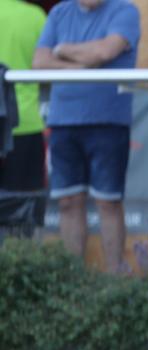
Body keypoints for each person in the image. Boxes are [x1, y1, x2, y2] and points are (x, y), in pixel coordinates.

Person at [32, 0, 140, 272]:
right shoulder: (59, 12)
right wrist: (80, 67)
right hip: (63, 120)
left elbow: (105, 51)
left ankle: (115, 278)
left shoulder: (125, 10)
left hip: (108, 121)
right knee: (68, 202)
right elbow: (39, 62)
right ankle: (73, 280)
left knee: (108, 202)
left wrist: (64, 50)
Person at [0, 0, 46, 236]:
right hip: (25, 125)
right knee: (23, 216)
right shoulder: (35, 16)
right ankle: (18, 269)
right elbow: (49, 63)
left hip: (20, 125)